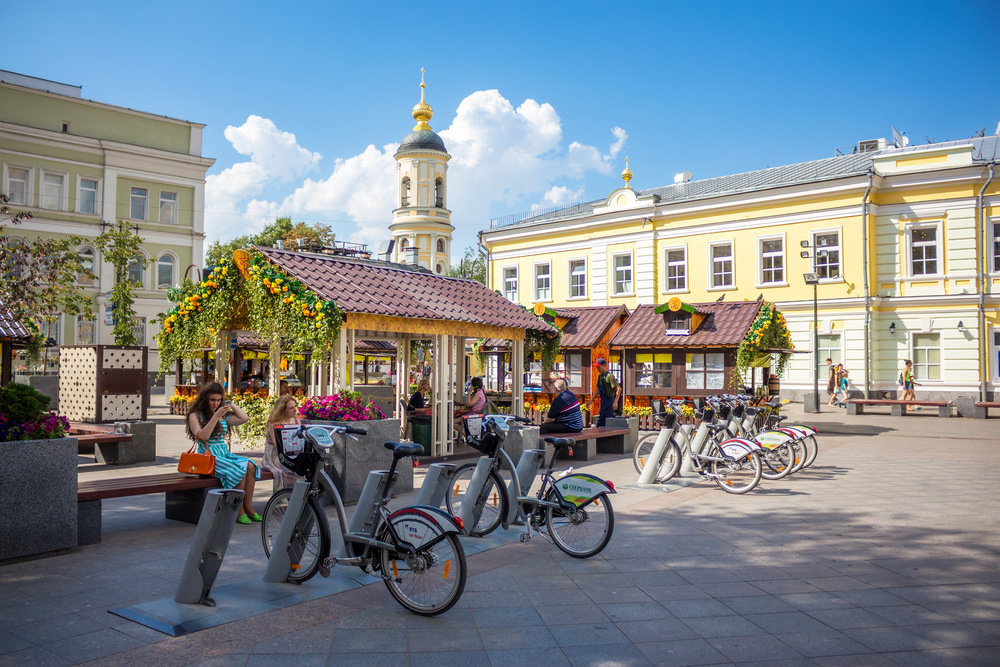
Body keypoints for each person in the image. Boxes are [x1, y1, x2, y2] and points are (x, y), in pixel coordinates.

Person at [186, 382, 261, 524]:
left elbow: (244, 418)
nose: (215, 403)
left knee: (250, 465)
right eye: (212, 400)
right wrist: (215, 417)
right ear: (205, 400)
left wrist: (230, 405)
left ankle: (248, 507)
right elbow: (202, 436)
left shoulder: (223, 416)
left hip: (223, 452)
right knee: (239, 469)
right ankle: (238, 510)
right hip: (208, 455)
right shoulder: (196, 416)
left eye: (218, 400)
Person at [262, 394, 304, 489]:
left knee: (302, 469)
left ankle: (297, 496)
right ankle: (282, 498)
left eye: (295, 407)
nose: (295, 410)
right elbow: (278, 445)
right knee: (282, 471)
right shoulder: (275, 423)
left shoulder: (296, 421)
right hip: (275, 456)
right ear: (283, 410)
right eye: (291, 408)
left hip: (292, 453)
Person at [594, 358, 621, 427]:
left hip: (609, 401)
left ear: (604, 366)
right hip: (603, 401)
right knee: (601, 421)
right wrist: (591, 400)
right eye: (597, 367)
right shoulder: (600, 376)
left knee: (609, 421)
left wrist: (615, 402)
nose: (598, 368)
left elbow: (618, 388)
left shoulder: (610, 376)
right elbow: (598, 389)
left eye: (599, 367)